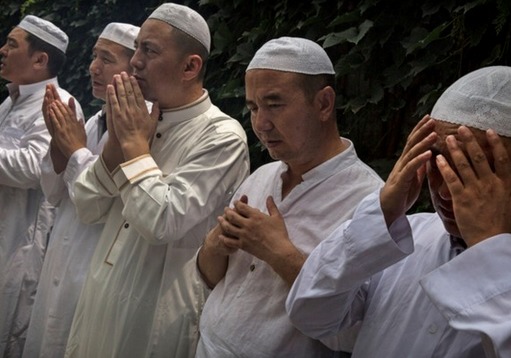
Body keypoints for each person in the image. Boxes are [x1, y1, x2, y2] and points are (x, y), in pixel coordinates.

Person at [286, 66, 511, 358]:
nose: (444, 191)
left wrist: (490, 251)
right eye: (439, 160)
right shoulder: (408, 235)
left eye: (475, 168)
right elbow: (310, 314)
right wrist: (381, 214)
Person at [65, 3, 250, 358]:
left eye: (149, 50)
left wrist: (134, 146)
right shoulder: (139, 118)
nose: (135, 61)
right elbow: (86, 207)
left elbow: (162, 220)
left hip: (157, 316)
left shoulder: (222, 135)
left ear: (190, 66)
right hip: (99, 297)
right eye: (137, 48)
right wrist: (117, 146)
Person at [195, 37, 383, 357]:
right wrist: (215, 245)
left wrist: (279, 252)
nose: (260, 123)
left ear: (323, 104)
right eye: (254, 107)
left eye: (275, 104)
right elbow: (210, 279)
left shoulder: (369, 201)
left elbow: (355, 332)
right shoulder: (260, 178)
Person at [22, 22, 140, 358]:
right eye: (93, 57)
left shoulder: (143, 126)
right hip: (61, 257)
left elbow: (100, 202)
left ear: (136, 69)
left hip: (92, 267)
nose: (93, 68)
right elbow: (56, 194)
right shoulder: (93, 120)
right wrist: (59, 148)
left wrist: (73, 149)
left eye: (107, 59)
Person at [0, 15, 84, 357]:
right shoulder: (11, 101)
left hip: (21, 244)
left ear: (40, 59)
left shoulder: (59, 103)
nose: (2, 50)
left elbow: (35, 167)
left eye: (12, 44)